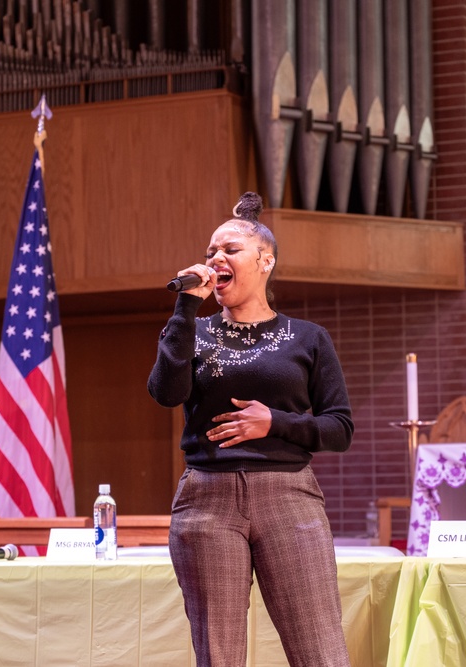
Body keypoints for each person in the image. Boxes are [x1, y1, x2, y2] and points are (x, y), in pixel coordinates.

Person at [147, 192, 354, 666]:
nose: (215, 259)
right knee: (218, 653)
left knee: (319, 648)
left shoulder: (308, 337)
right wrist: (183, 310)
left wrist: (274, 422)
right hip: (208, 499)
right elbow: (165, 392)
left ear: (265, 260)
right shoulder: (193, 333)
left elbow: (339, 428)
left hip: (288, 496)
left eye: (229, 250)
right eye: (209, 254)